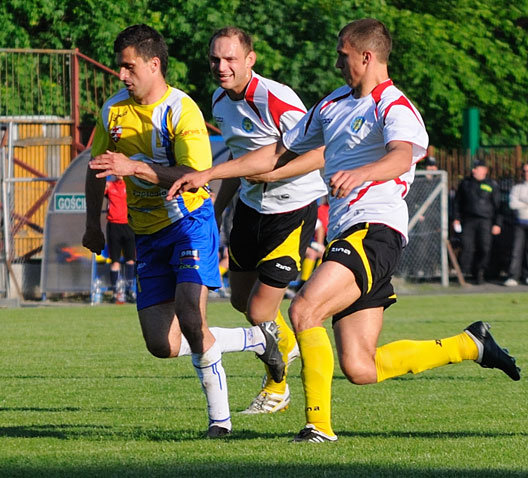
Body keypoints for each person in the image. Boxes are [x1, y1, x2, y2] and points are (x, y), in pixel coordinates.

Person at [169, 18, 521, 443]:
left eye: (343, 54)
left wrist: (361, 174)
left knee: (303, 311)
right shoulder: (332, 104)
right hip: (346, 233)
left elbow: (401, 156)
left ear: (366, 56)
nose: (338, 62)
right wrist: (212, 172)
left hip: (376, 230)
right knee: (360, 367)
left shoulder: (393, 106)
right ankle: (471, 344)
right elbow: (278, 152)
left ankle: (318, 426)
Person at [82, 24, 285, 438]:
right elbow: (96, 167)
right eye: (120, 68)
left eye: (129, 67)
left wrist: (135, 167)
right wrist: (92, 223)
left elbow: (195, 175)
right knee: (163, 345)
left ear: (154, 65)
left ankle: (220, 424)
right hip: (147, 233)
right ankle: (255, 340)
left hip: (189, 223)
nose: (121, 75)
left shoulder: (181, 110)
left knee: (192, 317)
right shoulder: (112, 111)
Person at [208, 27, 328, 414]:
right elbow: (236, 160)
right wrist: (215, 208)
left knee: (261, 313)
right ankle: (284, 350)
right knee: (241, 301)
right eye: (215, 59)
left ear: (250, 59)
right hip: (249, 208)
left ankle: (277, 384)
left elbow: (322, 150)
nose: (221, 66)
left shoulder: (275, 98)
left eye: (229, 59)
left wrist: (274, 175)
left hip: (291, 210)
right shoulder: (218, 101)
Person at [453, 160, 502, 284]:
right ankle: (465, 273)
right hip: (468, 220)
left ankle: (480, 271)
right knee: (467, 245)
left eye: (477, 168)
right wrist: (456, 218)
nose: (474, 170)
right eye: (474, 168)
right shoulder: (465, 184)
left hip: (486, 221)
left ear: (484, 170)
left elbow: (498, 206)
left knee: (484, 247)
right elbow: (457, 203)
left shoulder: (492, 185)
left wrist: (497, 223)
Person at [104, 175, 137, 302]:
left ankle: (130, 291)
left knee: (130, 260)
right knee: (115, 260)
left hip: (129, 225)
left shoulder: (130, 185)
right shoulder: (110, 185)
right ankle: (115, 292)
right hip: (114, 226)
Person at [504, 163, 528, 286]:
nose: (526, 174)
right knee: (516, 250)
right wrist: (525, 204)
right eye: (524, 171)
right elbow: (513, 204)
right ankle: (513, 276)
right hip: (519, 223)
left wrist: (521, 201)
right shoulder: (517, 188)